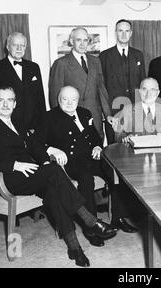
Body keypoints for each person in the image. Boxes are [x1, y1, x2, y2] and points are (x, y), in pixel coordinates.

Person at [0, 86, 117, 267]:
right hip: (5, 177)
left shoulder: (18, 123)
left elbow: (35, 146)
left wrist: (46, 158)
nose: (5, 104)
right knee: (53, 170)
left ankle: (74, 248)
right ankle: (90, 221)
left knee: (54, 190)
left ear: (15, 103)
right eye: (1, 100)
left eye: (9, 100)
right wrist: (14, 165)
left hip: (29, 175)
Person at [30, 86, 120, 244]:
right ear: (59, 100)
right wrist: (52, 150)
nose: (70, 103)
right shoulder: (49, 117)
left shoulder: (85, 113)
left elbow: (94, 135)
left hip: (92, 157)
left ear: (78, 101)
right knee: (86, 178)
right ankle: (91, 227)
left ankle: (118, 217)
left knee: (117, 171)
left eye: (74, 100)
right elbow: (34, 143)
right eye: (65, 99)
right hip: (71, 162)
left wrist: (98, 146)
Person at [49, 27, 112, 139]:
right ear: (72, 41)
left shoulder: (95, 61)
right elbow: (55, 96)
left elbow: (101, 90)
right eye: (78, 40)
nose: (82, 44)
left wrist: (107, 114)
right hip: (73, 118)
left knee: (97, 151)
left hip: (95, 117)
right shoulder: (61, 63)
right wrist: (60, 121)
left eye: (85, 40)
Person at [0, 32, 46, 133]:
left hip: (32, 128)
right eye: (15, 45)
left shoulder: (34, 67)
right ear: (8, 47)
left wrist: (41, 125)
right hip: (6, 127)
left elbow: (40, 98)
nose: (19, 49)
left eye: (22, 45)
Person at [99, 19, 146, 143]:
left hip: (136, 111)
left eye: (127, 31)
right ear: (116, 33)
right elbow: (101, 88)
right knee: (115, 149)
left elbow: (143, 85)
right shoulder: (105, 56)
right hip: (114, 112)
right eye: (120, 31)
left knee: (137, 147)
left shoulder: (138, 55)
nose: (124, 34)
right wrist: (107, 113)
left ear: (131, 33)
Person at [112, 78, 161, 143]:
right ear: (139, 91)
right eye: (144, 89)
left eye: (152, 90)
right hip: (135, 152)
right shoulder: (127, 110)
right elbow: (119, 136)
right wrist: (125, 138)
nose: (148, 94)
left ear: (158, 93)